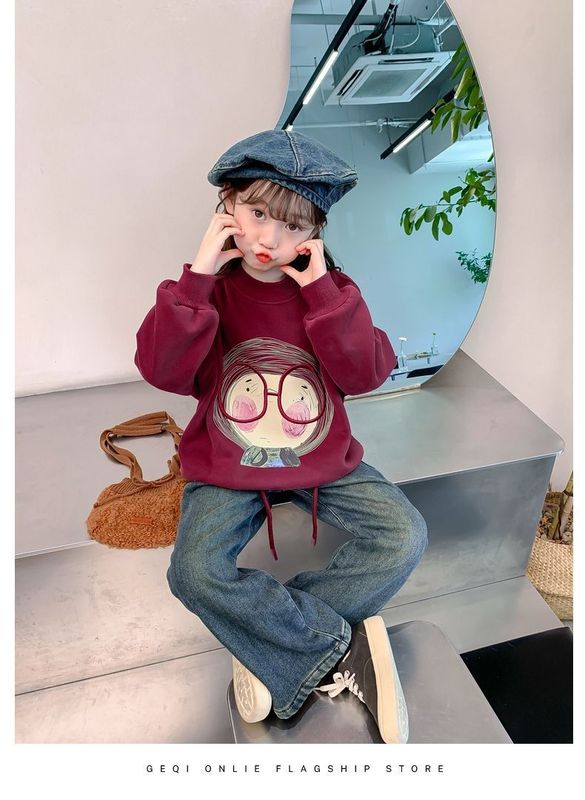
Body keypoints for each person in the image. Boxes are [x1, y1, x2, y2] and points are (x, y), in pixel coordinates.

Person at [134, 129, 428, 744]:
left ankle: (272, 640)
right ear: (227, 206)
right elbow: (162, 371)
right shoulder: (205, 294)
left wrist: (322, 293)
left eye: (293, 225)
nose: (269, 239)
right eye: (258, 213)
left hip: (324, 463)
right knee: (192, 572)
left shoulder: (334, 295)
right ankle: (330, 646)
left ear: (315, 233)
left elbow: (366, 375)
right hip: (227, 468)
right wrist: (197, 276)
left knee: (405, 535)